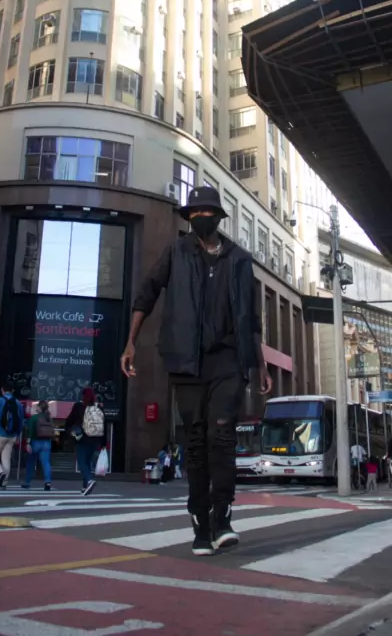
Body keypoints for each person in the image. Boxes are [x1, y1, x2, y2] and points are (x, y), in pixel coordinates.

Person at [121, 185, 272, 557]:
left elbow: (251, 319)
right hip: (186, 360)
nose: (200, 218)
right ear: (188, 217)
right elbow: (147, 292)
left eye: (207, 212)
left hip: (229, 359)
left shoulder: (239, 259)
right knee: (196, 441)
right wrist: (131, 342)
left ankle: (223, 517)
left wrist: (261, 363)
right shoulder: (176, 252)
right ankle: (201, 524)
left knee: (222, 435)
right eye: (195, 213)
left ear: (218, 217)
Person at [65, 387, 106, 496]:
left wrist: (68, 430)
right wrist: (103, 443)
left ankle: (89, 480)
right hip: (95, 439)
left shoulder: (79, 406)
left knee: (82, 462)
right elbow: (104, 424)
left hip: (82, 438)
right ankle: (85, 487)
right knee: (87, 462)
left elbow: (70, 420)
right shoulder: (98, 407)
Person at [0, 381, 24, 488]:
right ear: (12, 391)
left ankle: (0, 473)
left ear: (2, 390)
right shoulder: (18, 403)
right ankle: (4, 482)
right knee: (6, 459)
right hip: (12, 435)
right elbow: (21, 421)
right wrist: (18, 434)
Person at [22, 400, 54, 491]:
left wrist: (28, 443)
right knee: (46, 463)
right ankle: (47, 481)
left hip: (35, 442)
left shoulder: (34, 418)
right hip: (47, 442)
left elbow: (30, 432)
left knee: (31, 462)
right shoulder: (49, 418)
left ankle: (27, 482)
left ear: (39, 408)